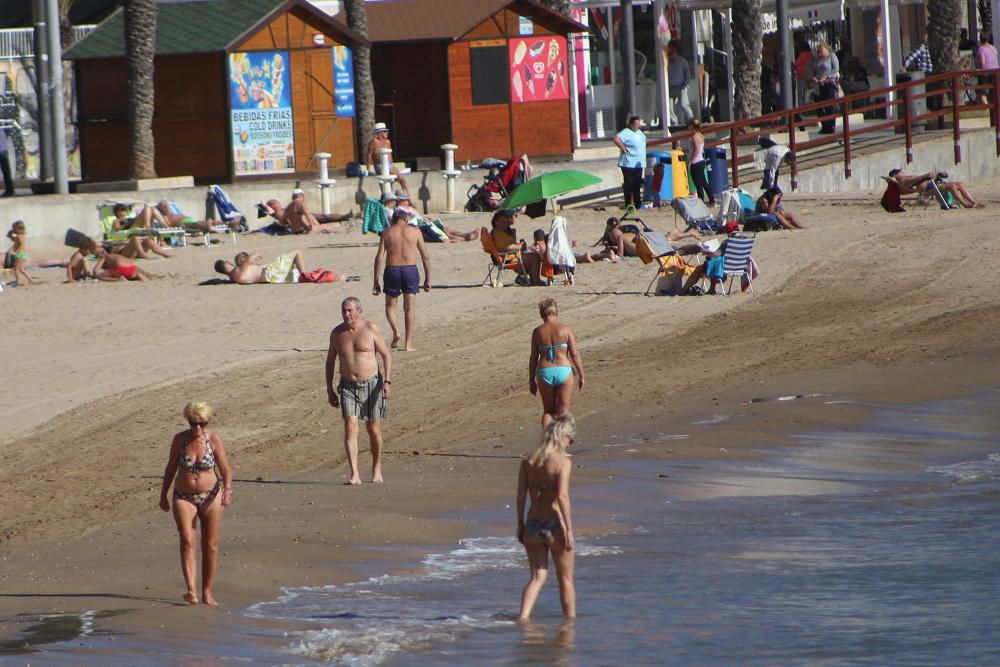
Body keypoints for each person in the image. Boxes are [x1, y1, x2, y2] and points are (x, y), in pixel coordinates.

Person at [158, 402, 233, 605]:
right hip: (184, 495)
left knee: (210, 545)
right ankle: (191, 590)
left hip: (211, 495)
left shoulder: (214, 439)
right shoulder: (180, 440)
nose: (197, 427)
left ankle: (207, 592)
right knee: (187, 540)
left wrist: (228, 490)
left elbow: (225, 468)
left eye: (201, 423)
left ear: (207, 422)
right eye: (193, 423)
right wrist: (163, 495)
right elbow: (170, 468)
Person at [325, 296, 393, 485]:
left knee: (373, 427)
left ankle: (376, 468)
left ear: (359, 311)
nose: (346, 314)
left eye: (350, 310)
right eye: (344, 310)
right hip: (347, 385)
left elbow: (386, 355)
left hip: (372, 384)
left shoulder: (370, 329)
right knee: (350, 426)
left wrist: (387, 381)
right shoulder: (337, 333)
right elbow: (330, 361)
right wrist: (329, 389)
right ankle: (354, 473)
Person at [516, 413, 577, 620]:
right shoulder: (563, 462)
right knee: (566, 579)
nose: (572, 443)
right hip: (554, 524)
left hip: (532, 522)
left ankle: (523, 618)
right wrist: (569, 530)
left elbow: (520, 497)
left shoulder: (529, 459)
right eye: (571, 438)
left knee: (537, 577)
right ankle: (569, 626)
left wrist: (520, 525)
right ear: (563, 436)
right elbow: (562, 496)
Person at [373, 208, 431, 351]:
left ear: (393, 219)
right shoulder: (415, 232)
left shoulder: (387, 232)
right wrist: (427, 279)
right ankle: (408, 344)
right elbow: (425, 257)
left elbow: (379, 257)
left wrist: (376, 281)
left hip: (392, 269)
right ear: (406, 220)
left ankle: (396, 331)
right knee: (409, 308)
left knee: (390, 306)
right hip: (410, 270)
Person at [529, 299, 585, 426]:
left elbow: (533, 358)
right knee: (563, 410)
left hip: (544, 372)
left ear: (541, 314)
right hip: (563, 370)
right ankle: (561, 441)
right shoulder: (566, 329)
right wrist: (581, 375)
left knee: (548, 411)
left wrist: (531, 380)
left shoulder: (537, 332)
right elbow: (574, 354)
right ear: (556, 312)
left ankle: (547, 440)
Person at [394, 190, 478, 242]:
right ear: (398, 201)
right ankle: (465, 239)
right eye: (403, 200)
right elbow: (408, 220)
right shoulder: (399, 209)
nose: (406, 202)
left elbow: (416, 217)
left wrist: (425, 219)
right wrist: (424, 221)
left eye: (406, 200)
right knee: (445, 232)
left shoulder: (408, 208)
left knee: (446, 228)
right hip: (419, 226)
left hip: (423, 223)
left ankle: (465, 235)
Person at [490, 208, 544, 285]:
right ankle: (535, 280)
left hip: (509, 256)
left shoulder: (500, 232)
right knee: (535, 257)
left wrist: (519, 243)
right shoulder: (497, 233)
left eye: (506, 222)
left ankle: (526, 278)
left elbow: (509, 246)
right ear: (495, 222)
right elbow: (508, 248)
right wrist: (520, 245)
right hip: (507, 258)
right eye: (502, 222)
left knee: (532, 254)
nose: (504, 224)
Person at [259, 190, 350, 234]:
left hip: (296, 231)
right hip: (304, 231)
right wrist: (312, 225)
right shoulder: (300, 204)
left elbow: (282, 220)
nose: (279, 203)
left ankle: (343, 226)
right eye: (276, 202)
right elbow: (308, 215)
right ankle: (344, 228)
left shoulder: (289, 207)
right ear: (302, 196)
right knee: (324, 226)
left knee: (323, 222)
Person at [214, 248, 322, 284]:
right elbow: (248, 260)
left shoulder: (234, 278)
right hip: (270, 271)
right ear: (226, 263)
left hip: (270, 278)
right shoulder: (236, 272)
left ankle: (306, 275)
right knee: (297, 251)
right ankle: (305, 274)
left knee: (295, 272)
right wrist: (255, 255)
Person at [889, 168, 983, 208]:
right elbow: (913, 184)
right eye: (900, 171)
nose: (902, 172)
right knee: (952, 186)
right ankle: (964, 204)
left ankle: (974, 203)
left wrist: (935, 176)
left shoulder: (905, 178)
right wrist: (926, 176)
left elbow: (919, 181)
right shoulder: (903, 181)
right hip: (926, 190)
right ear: (897, 175)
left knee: (960, 184)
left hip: (931, 184)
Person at [613, 115, 646, 212]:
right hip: (628, 162)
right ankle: (628, 204)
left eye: (638, 124)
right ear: (631, 124)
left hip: (639, 163)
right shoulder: (626, 132)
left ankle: (638, 203)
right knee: (629, 184)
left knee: (637, 183)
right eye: (635, 124)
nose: (637, 126)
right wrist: (623, 148)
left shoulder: (640, 133)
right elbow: (616, 139)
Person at [365, 122, 409, 193]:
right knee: (387, 183)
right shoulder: (374, 142)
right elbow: (369, 155)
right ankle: (387, 197)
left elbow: (390, 155)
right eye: (385, 131)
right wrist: (368, 169)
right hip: (380, 166)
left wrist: (393, 164)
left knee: (402, 179)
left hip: (390, 165)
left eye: (387, 131)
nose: (387, 133)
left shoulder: (388, 142)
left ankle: (407, 195)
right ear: (379, 133)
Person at [811, 42, 840, 134]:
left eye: (821, 49)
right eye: (818, 50)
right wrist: (815, 77)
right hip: (820, 84)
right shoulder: (818, 60)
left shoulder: (832, 56)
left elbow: (836, 69)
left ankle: (831, 126)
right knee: (820, 105)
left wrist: (826, 76)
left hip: (830, 83)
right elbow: (815, 71)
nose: (820, 52)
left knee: (829, 106)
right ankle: (824, 126)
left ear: (826, 49)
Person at [686, 119, 715, 206]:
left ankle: (701, 202)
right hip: (701, 161)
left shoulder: (695, 136)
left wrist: (690, 161)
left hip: (696, 162)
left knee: (698, 184)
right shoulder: (701, 135)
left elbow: (696, 150)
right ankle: (711, 200)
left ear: (692, 126)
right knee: (704, 183)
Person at [667, 41, 693, 125]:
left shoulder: (682, 62)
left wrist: (686, 85)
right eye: (669, 54)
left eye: (672, 53)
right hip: (670, 87)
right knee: (669, 107)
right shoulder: (665, 61)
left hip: (681, 86)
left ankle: (691, 120)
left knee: (683, 104)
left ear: (676, 52)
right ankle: (674, 122)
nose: (671, 56)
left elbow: (687, 74)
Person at [6, 220, 32, 286]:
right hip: (24, 253)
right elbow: (15, 240)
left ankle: (18, 282)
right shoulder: (22, 235)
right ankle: (30, 279)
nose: (12, 230)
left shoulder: (19, 236)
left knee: (16, 269)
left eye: (13, 228)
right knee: (21, 269)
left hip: (20, 254)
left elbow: (19, 242)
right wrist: (11, 236)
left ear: (17, 229)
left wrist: (16, 248)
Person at [977, 35, 999, 104]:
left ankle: (985, 105)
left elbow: (982, 63)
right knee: (994, 91)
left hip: (986, 73)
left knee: (983, 91)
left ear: (981, 40)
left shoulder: (981, 49)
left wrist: (978, 69)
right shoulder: (993, 48)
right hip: (996, 72)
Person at [794, 39, 813, 107]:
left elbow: (796, 64)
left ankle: (801, 107)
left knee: (800, 94)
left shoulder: (802, 55)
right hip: (808, 76)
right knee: (807, 93)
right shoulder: (811, 55)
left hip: (801, 77)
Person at [0, 125, 13, 197]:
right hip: (3, 150)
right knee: (6, 172)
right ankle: (9, 189)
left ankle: (9, 189)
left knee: (6, 171)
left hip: (2, 151)